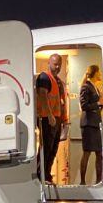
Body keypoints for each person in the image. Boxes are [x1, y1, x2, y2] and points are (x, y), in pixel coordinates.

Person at [36, 53, 67, 184]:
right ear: (49, 63)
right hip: (47, 118)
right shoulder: (44, 77)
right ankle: (40, 175)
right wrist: (49, 115)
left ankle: (47, 175)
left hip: (57, 119)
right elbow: (42, 96)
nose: (58, 67)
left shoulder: (59, 81)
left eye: (59, 64)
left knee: (53, 149)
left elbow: (61, 102)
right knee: (46, 148)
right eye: (55, 64)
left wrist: (64, 120)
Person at [78, 64, 103, 185]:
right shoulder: (86, 87)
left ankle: (99, 180)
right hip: (88, 124)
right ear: (95, 72)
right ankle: (82, 181)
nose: (100, 74)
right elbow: (84, 106)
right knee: (87, 152)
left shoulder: (96, 87)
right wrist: (98, 103)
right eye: (99, 72)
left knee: (99, 152)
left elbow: (98, 105)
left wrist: (101, 103)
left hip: (95, 123)